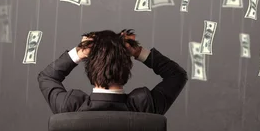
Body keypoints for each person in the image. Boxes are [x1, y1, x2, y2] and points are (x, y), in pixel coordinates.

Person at [38, 29, 188, 114]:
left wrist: (79, 53)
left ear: (90, 68)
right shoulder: (145, 106)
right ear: (127, 67)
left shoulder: (70, 106)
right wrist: (138, 52)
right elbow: (177, 75)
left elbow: (46, 77)